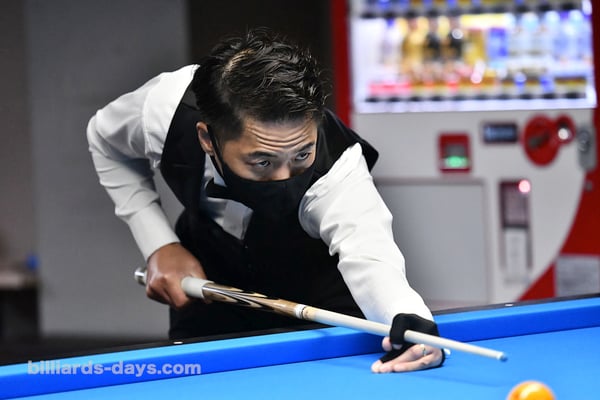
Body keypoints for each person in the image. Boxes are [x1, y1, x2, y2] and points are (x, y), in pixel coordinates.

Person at [87, 28, 444, 373]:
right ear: (208, 139)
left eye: (301, 155)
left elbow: (369, 249)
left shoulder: (338, 168)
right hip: (210, 277)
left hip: (317, 288)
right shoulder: (163, 110)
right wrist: (159, 244)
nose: (285, 177)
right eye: (262, 162)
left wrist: (406, 316)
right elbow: (104, 140)